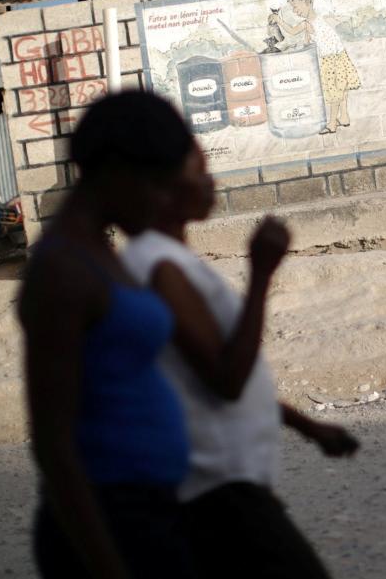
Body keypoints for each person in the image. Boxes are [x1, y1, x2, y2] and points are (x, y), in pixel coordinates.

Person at [121, 131, 359, 579]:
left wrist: (306, 426)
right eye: (200, 171)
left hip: (231, 487)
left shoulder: (170, 260)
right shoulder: (160, 268)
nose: (212, 182)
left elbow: (199, 378)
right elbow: (227, 380)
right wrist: (262, 273)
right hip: (219, 493)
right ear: (161, 188)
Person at [17, 91, 196, 579]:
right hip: (111, 520)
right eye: (158, 183)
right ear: (116, 170)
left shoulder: (101, 251)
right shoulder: (61, 269)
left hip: (149, 510)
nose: (164, 200)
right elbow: (53, 442)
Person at [274, 0, 361, 134]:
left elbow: (292, 31)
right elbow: (310, 41)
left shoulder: (307, 23)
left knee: (334, 92)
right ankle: (344, 117)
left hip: (330, 59)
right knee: (342, 88)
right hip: (339, 54)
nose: (295, 11)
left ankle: (332, 123)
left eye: (296, 7)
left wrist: (278, 20)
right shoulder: (318, 19)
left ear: (307, 3)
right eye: (293, 8)